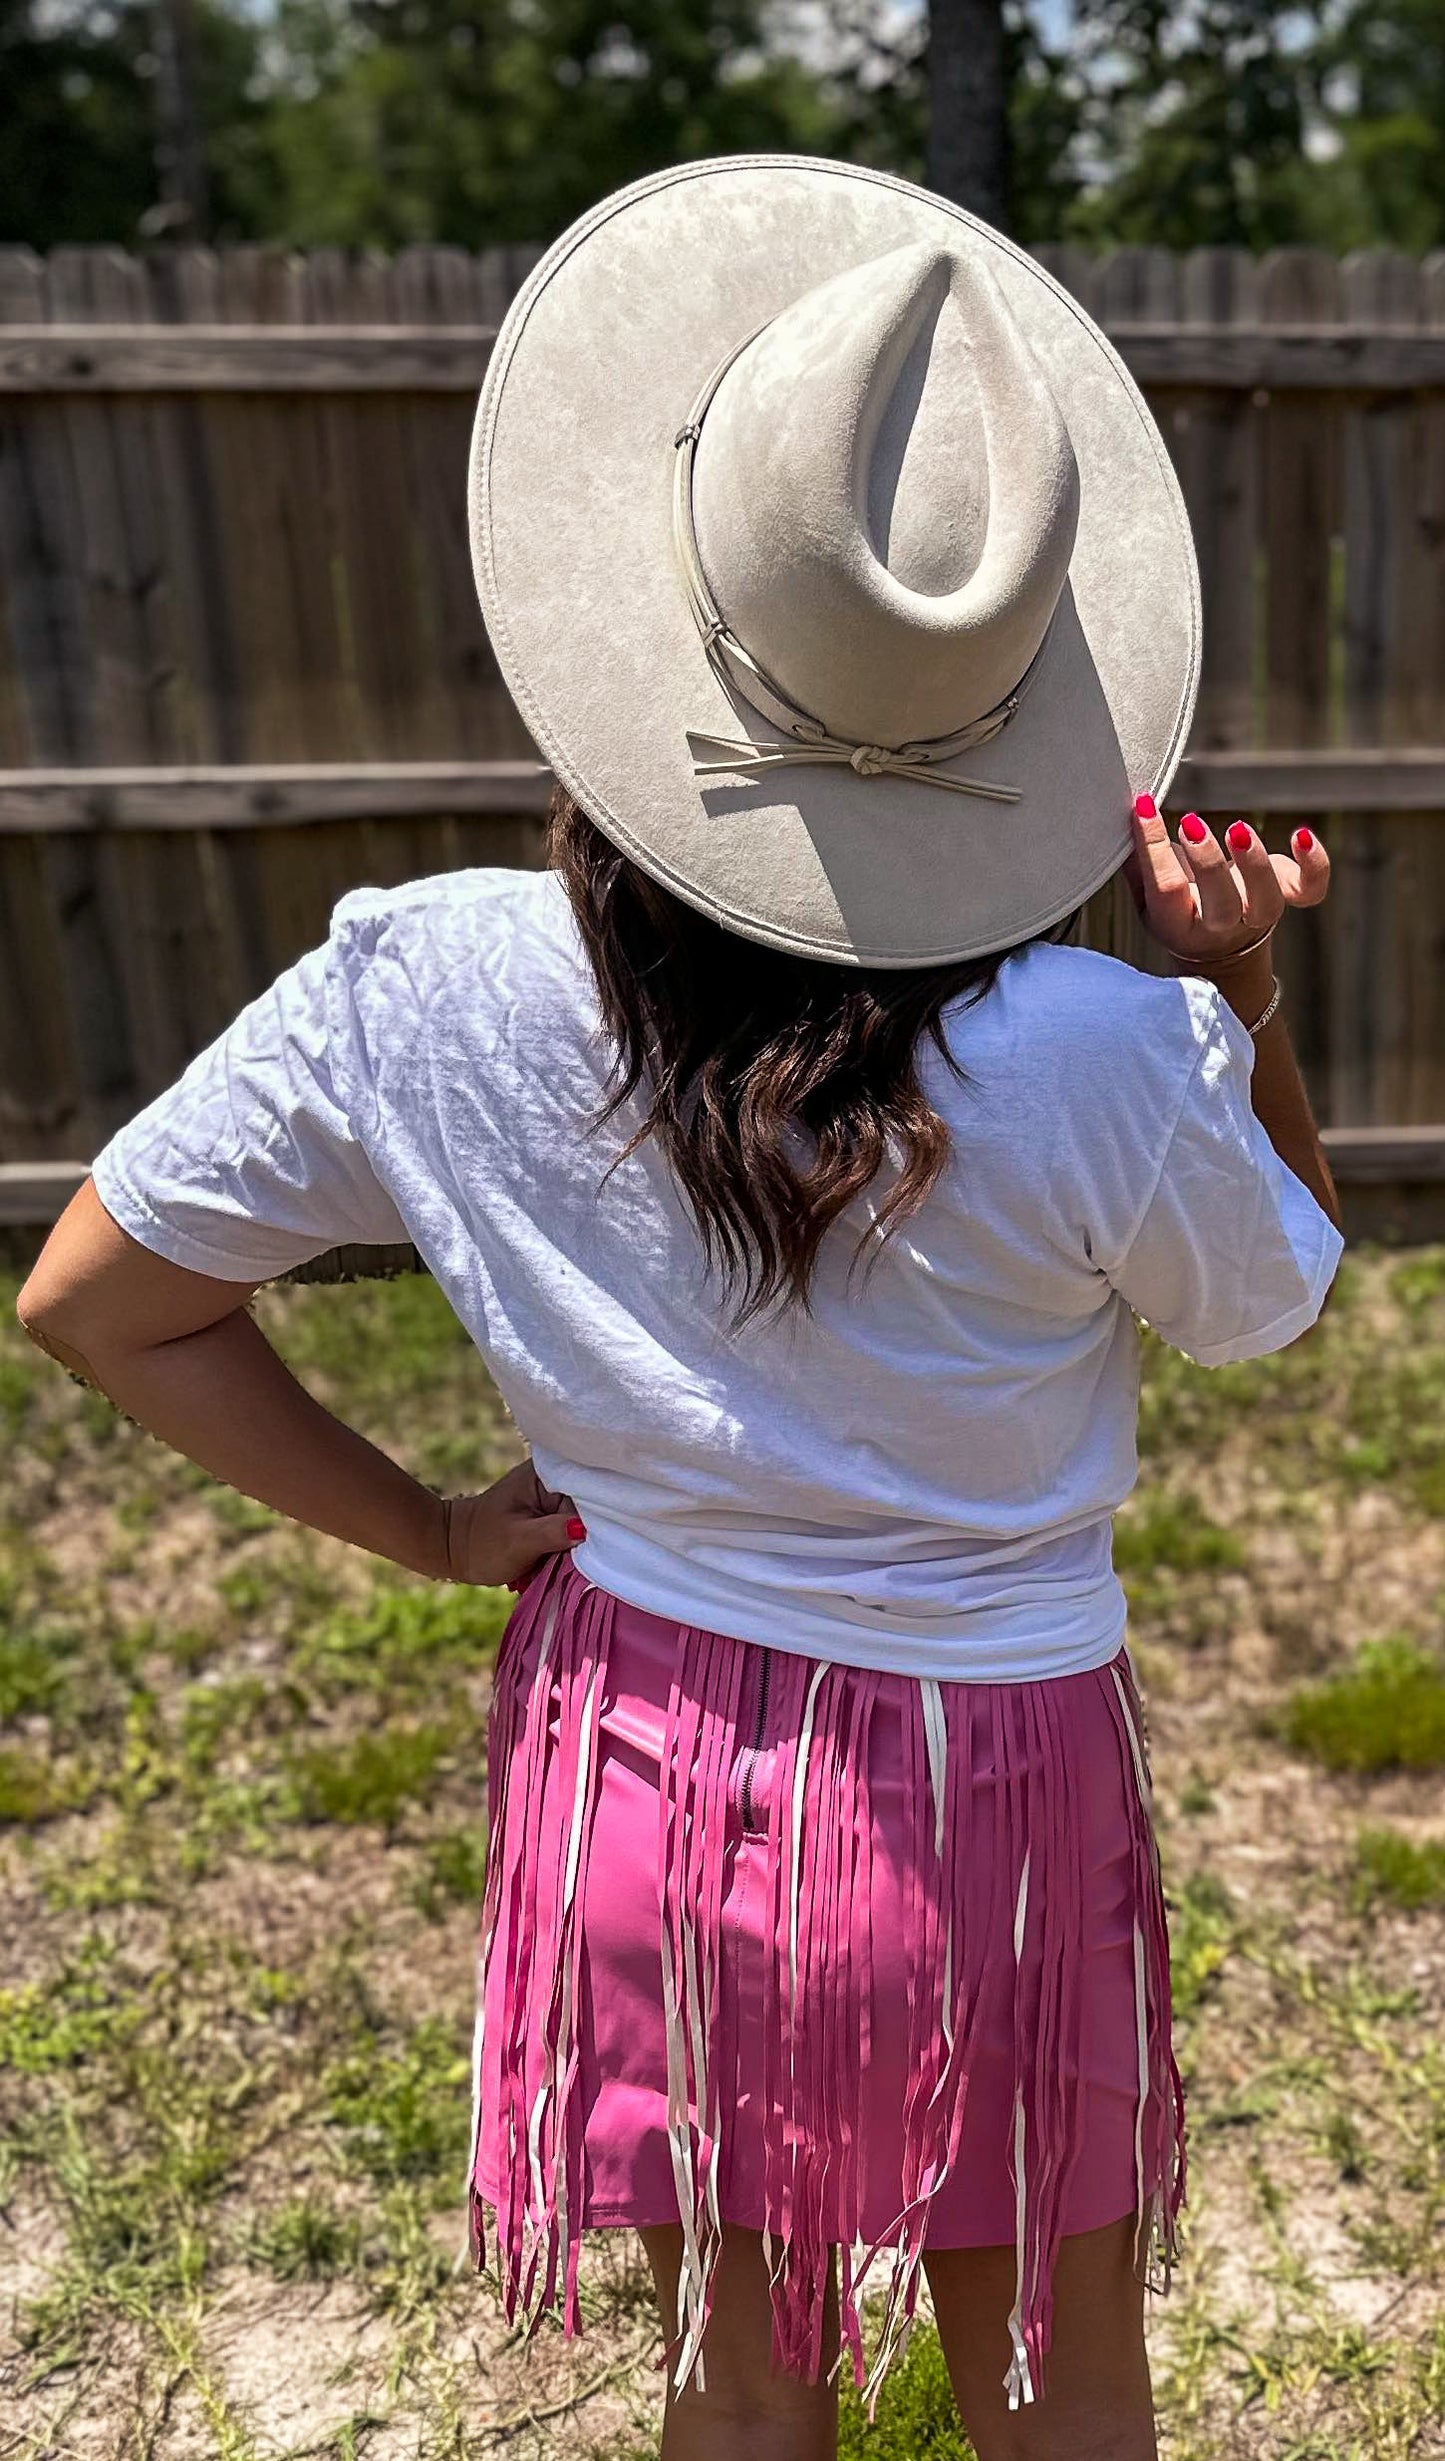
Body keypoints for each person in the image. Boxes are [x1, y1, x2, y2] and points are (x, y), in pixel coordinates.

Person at [17, 157, 1342, 2461]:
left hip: (639, 1763)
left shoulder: (416, 981)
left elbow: (102, 1301)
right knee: (1057, 2382)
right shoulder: (1109, 1054)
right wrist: (1244, 995)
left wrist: (435, 1532)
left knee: (733, 2387)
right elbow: (1282, 1305)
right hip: (991, 1793)